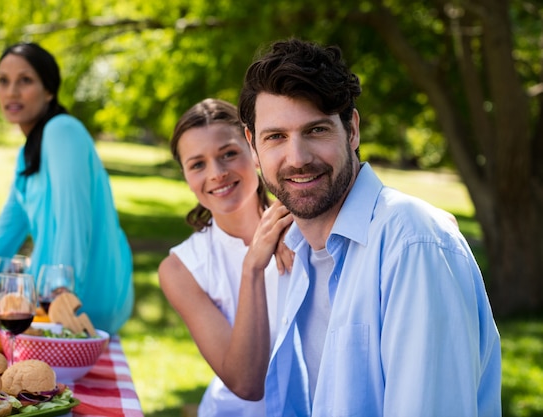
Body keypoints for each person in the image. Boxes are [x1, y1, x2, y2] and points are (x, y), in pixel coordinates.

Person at [236, 39, 502, 416]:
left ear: (353, 130)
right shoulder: (299, 250)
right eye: (276, 137)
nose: (297, 159)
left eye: (316, 131)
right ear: (253, 146)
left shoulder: (413, 245)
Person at [0, 42, 134, 335]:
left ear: (48, 90)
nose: (11, 91)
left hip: (76, 301)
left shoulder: (63, 131)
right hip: (46, 302)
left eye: (25, 80)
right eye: (3, 81)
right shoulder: (28, 154)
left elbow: (74, 219)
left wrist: (61, 289)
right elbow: (4, 236)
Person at [158, 98, 294, 416]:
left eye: (229, 154)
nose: (217, 173)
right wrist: (252, 267)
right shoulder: (180, 269)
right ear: (187, 177)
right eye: (198, 164)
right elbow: (246, 383)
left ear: (255, 152)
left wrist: (297, 224)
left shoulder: (303, 226)